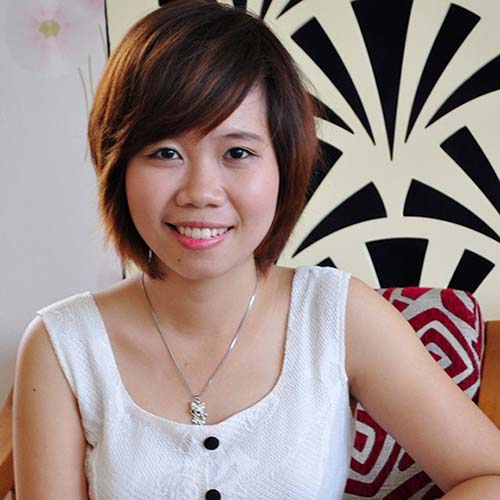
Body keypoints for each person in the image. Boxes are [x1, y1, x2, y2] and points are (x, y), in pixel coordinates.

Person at [13, 1, 500, 498]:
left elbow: (490, 476)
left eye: (238, 152)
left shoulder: (336, 315)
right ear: (117, 166)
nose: (201, 192)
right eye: (165, 152)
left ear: (284, 166)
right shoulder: (61, 346)